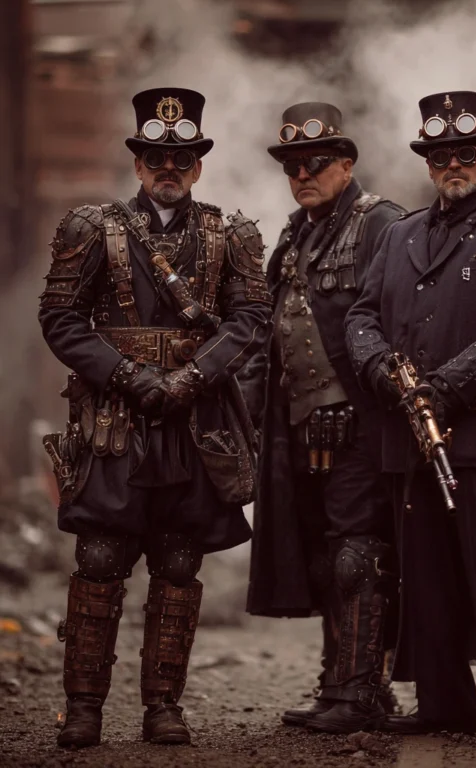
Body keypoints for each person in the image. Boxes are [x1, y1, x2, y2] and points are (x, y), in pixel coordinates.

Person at [39, 87, 272, 748]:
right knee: (101, 554)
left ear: (198, 165)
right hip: (115, 416)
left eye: (183, 158)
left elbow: (252, 319)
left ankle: (163, 707)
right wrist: (129, 375)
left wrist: (195, 375)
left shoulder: (234, 235)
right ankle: (83, 706)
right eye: (154, 157)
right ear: (138, 163)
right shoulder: (89, 228)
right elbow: (60, 319)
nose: (168, 168)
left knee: (177, 560)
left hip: (195, 421)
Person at [345, 91, 476, 743]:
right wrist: (381, 370)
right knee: (426, 573)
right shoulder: (401, 233)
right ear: (428, 163)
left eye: (464, 153)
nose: (451, 164)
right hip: (410, 434)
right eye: (439, 155)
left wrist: (445, 387)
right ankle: (444, 705)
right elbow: (360, 316)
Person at [245, 102, 405, 734]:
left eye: (314, 163)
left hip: (363, 426)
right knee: (320, 554)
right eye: (291, 166)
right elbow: (267, 334)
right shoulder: (292, 236)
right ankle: (337, 681)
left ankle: (364, 690)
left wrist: (360, 404)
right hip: (298, 426)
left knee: (357, 554)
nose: (302, 174)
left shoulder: (383, 224)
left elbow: (393, 326)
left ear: (346, 163)